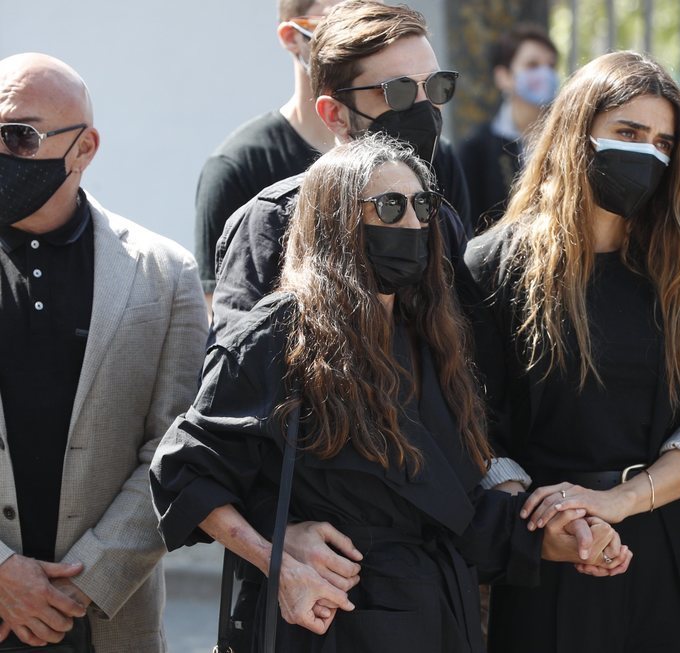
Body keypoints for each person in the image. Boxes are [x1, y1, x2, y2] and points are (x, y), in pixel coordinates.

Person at [150, 134, 631, 652]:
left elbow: (454, 508)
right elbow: (183, 473)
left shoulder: (432, 336)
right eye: (389, 206)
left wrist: (554, 539)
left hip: (439, 619)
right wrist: (276, 555)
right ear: (337, 218)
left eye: (423, 205)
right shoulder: (281, 331)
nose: (413, 223)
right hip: (332, 621)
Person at [465, 50, 680, 653]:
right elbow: (473, 426)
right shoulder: (493, 264)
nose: (647, 152)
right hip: (555, 557)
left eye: (663, 142)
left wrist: (619, 502)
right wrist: (571, 526)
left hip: (677, 556)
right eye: (627, 132)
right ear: (577, 131)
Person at [0, 53, 208, 651]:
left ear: (85, 147)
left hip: (106, 621)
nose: (4, 154)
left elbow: (176, 448)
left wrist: (78, 586)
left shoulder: (165, 274)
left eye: (20, 136)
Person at [210, 0, 473, 342]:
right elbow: (239, 377)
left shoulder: (439, 216)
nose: (425, 109)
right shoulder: (270, 223)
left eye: (437, 86)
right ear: (335, 114)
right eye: (398, 91)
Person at [194, 0, 339, 310]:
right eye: (337, 18)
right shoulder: (237, 167)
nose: (360, 33)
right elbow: (223, 321)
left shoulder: (420, 155)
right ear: (292, 36)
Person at [459, 24, 558, 232]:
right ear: (504, 76)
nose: (545, 74)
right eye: (532, 65)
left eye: (551, 66)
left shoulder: (566, 139)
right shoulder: (477, 148)